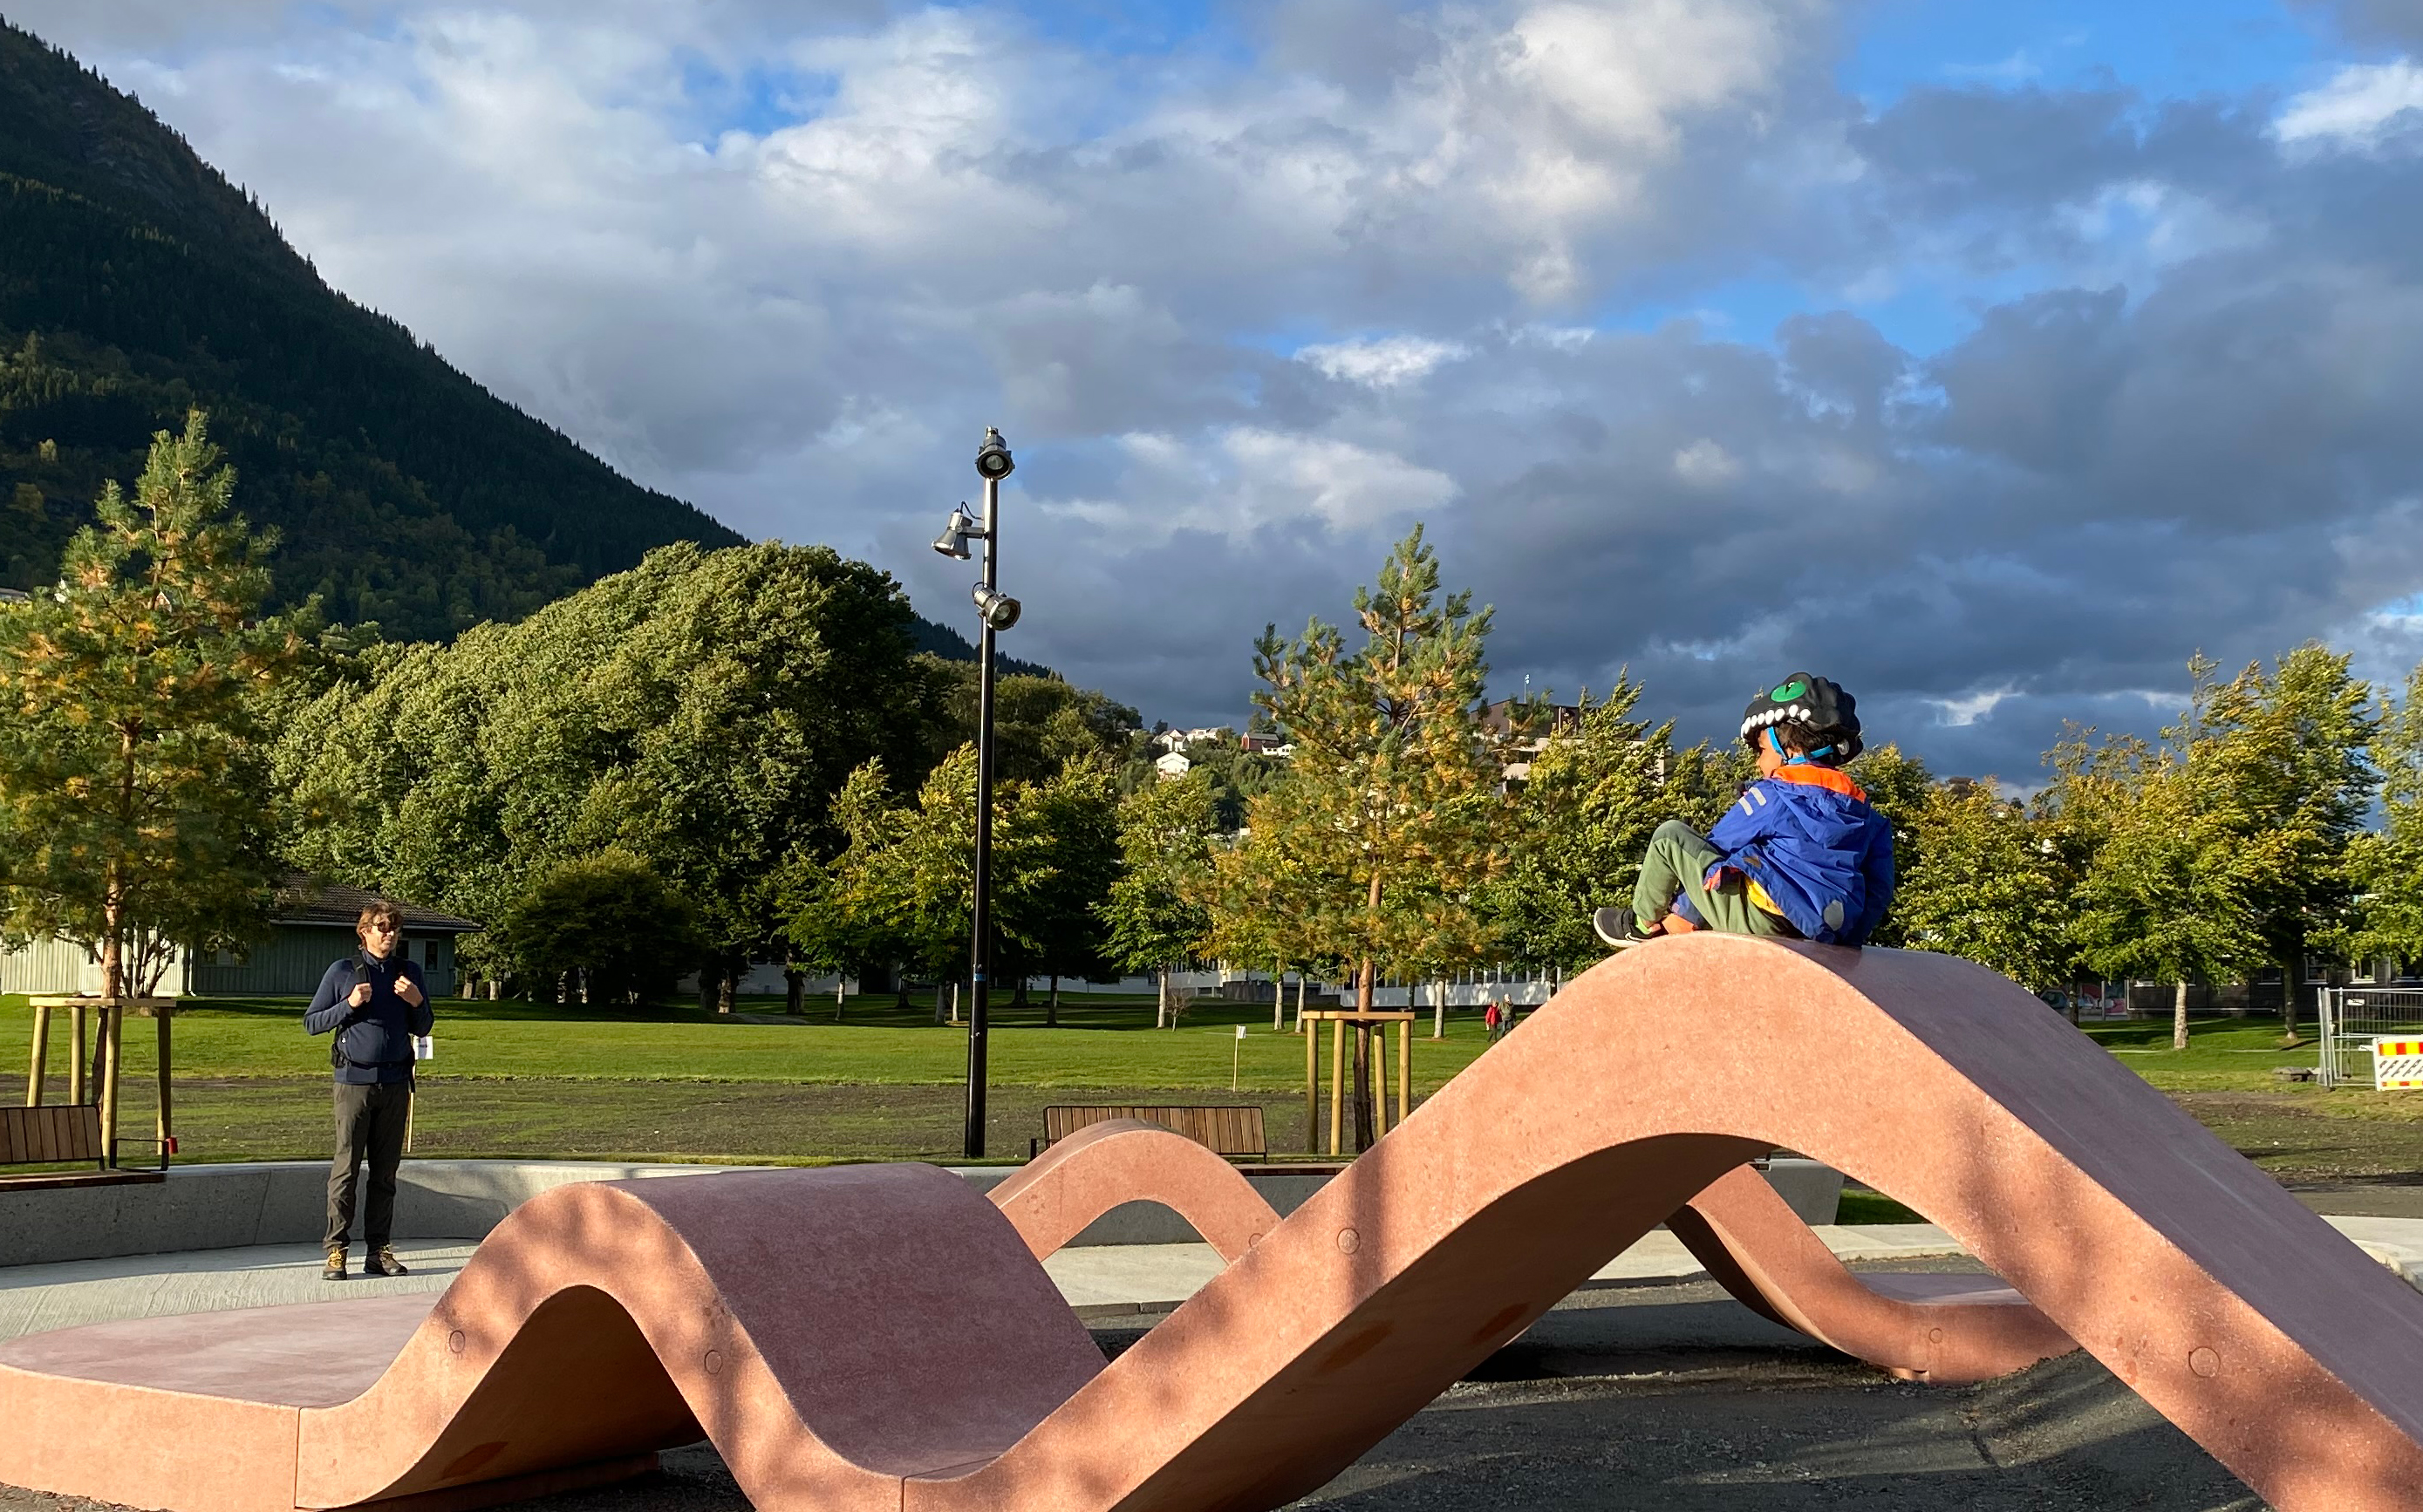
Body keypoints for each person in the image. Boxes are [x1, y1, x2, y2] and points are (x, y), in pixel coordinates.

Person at [1592, 672, 1894, 950]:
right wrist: (1848, 943)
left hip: (1763, 920)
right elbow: (1880, 889)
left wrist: (1683, 910)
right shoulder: (1867, 815)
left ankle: (1642, 924)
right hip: (1826, 930)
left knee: (1672, 838)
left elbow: (1717, 849)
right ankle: (1681, 922)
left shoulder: (1773, 794)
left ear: (1788, 748)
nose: (1758, 762)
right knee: (1758, 857)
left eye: (1761, 750)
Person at [304, 900, 433, 1280]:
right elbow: (312, 1023)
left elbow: (423, 1026)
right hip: (353, 1084)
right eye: (381, 927)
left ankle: (379, 1251)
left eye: (394, 928)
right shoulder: (343, 971)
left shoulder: (408, 973)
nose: (389, 934)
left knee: (385, 1173)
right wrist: (349, 1004)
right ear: (364, 932)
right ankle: (336, 1250)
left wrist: (417, 1001)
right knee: (346, 1170)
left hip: (394, 1084)